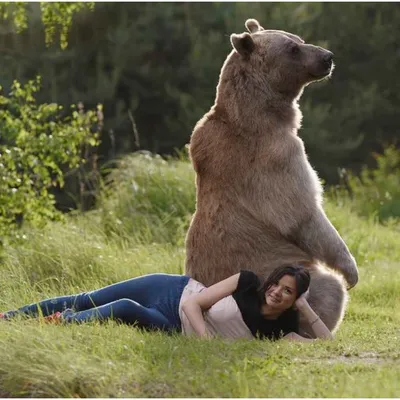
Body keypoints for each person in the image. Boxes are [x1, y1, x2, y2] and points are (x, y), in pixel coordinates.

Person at [0, 264, 333, 342]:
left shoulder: (282, 328)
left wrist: (304, 307)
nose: (276, 291)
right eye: (276, 283)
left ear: (293, 300)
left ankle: (63, 321)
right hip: (174, 291)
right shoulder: (246, 282)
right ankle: (12, 316)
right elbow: (193, 306)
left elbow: (327, 345)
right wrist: (206, 342)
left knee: (126, 309)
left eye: (287, 291)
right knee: (85, 298)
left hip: (171, 324)